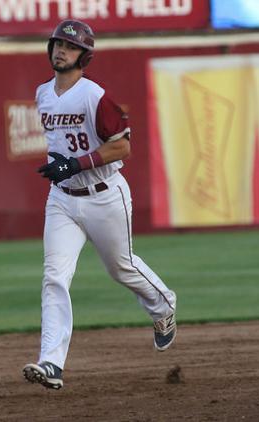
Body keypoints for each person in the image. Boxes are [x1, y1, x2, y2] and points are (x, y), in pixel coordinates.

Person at [22, 20, 177, 390]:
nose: (61, 51)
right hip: (62, 199)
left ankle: (164, 306)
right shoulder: (43, 93)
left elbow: (123, 145)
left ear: (84, 56)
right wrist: (65, 167)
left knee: (121, 268)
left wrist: (75, 163)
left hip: (105, 195)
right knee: (54, 276)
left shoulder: (94, 95)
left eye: (70, 47)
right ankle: (51, 363)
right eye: (58, 44)